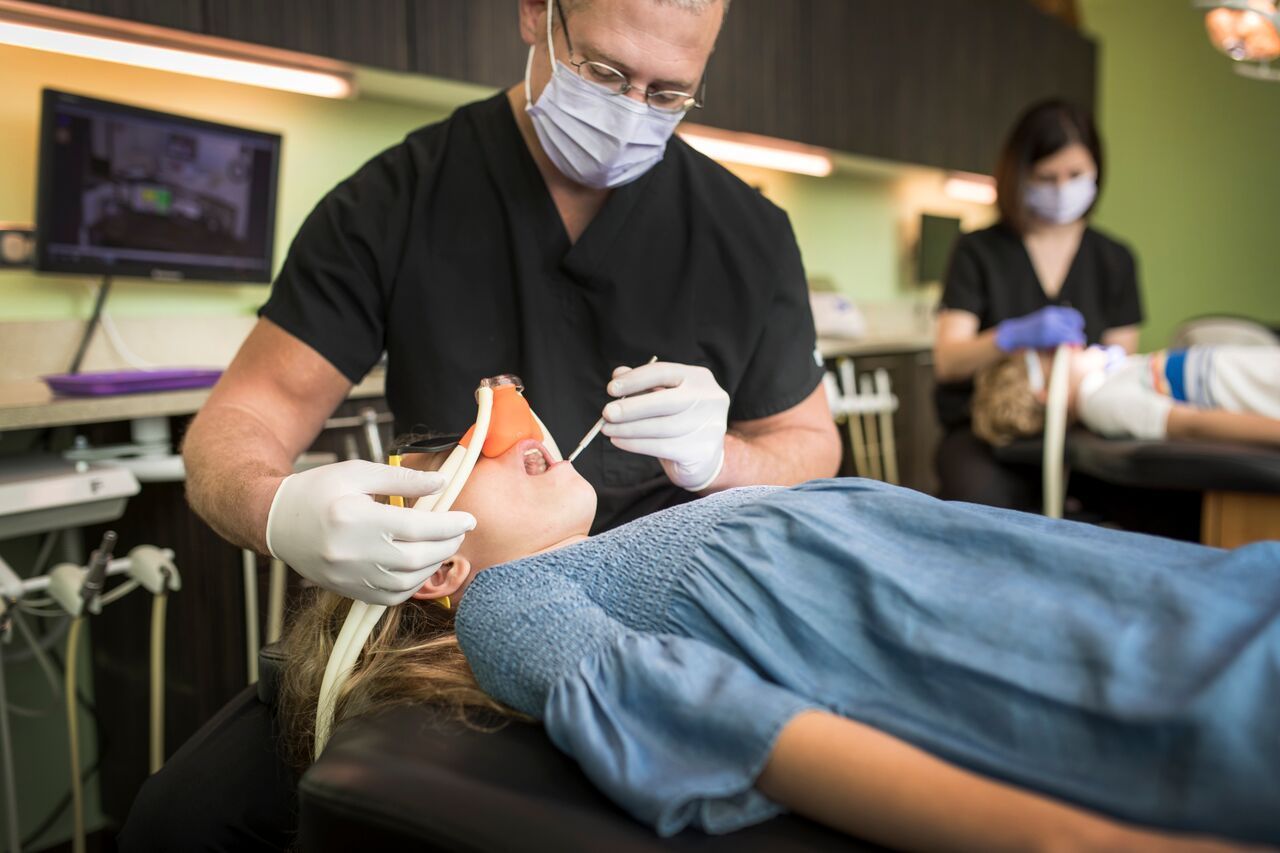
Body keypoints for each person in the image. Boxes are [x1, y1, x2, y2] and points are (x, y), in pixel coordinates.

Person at [123, 1, 840, 849]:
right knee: (189, 816)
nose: (630, 110)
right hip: (444, 652)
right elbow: (238, 420)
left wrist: (719, 457)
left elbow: (811, 446)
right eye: (607, 74)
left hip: (673, 623)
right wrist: (276, 509)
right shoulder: (396, 200)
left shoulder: (747, 235)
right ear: (538, 13)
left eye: (669, 93)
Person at [277, 435, 1279, 851]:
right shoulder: (510, 609)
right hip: (1178, 684)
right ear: (437, 566)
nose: (502, 433)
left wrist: (728, 461)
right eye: (460, 458)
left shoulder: (626, 549)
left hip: (1205, 596)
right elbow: (765, 738)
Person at [932, 99, 1143, 510]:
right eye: (1047, 177)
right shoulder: (979, 250)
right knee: (982, 504)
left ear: (1097, 170)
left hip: (1082, 429)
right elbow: (948, 361)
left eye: (1076, 174)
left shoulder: (1114, 259)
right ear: (1020, 175)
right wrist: (1011, 337)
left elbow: (1121, 360)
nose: (1063, 189)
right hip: (986, 432)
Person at [970, 343, 1280, 448]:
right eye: (1052, 355)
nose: (1071, 345)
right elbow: (1192, 424)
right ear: (1047, 394)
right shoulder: (1101, 403)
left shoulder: (1110, 376)